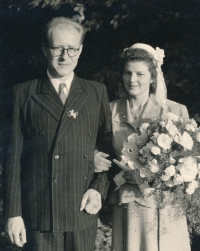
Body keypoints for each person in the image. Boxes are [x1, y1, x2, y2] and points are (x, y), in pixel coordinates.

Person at [4, 16, 112, 251]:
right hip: (40, 213)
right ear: (45, 49)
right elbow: (12, 159)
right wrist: (13, 214)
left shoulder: (95, 92)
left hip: (81, 210)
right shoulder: (24, 93)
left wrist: (98, 190)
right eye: (57, 48)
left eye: (72, 49)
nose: (65, 56)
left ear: (80, 50)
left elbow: (107, 150)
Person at [94, 43, 191, 251]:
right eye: (127, 73)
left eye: (140, 73)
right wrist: (119, 174)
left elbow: (187, 167)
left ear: (153, 77)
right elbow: (102, 157)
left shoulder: (174, 111)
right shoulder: (110, 111)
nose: (133, 80)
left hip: (165, 207)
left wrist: (150, 175)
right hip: (129, 206)